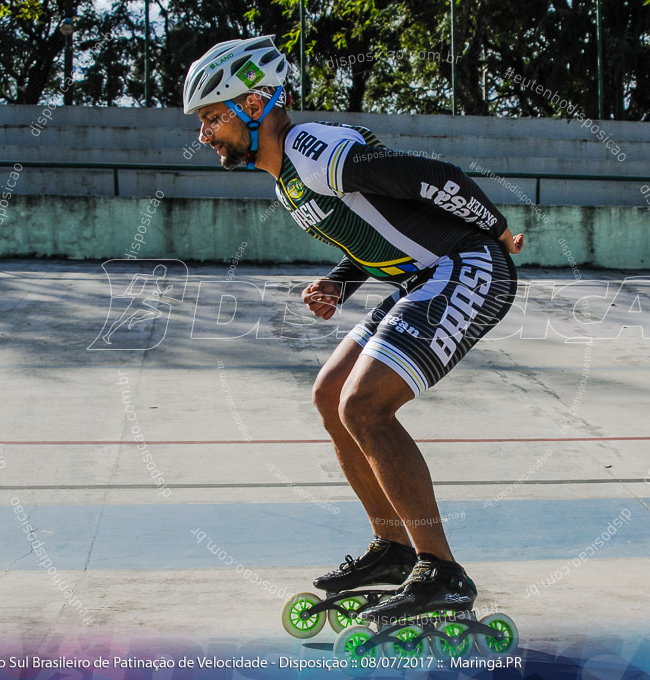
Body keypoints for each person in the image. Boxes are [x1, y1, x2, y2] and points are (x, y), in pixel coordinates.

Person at [183, 36, 524, 623]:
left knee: (364, 406)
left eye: (213, 117)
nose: (204, 133)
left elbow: (430, 177)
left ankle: (441, 571)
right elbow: (380, 229)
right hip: (420, 276)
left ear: (256, 104)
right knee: (329, 394)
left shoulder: (310, 151)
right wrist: (342, 281)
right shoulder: (286, 176)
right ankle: (394, 550)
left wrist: (493, 229)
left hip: (464, 266)